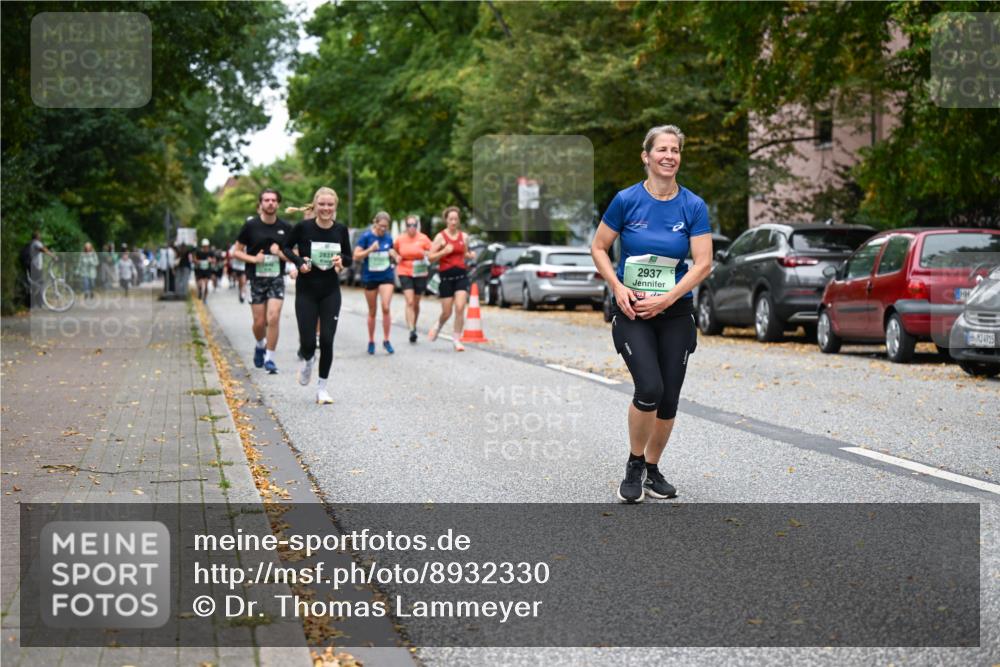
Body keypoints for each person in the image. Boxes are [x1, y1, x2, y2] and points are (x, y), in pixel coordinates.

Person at [591, 124, 713, 504]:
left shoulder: (692, 205)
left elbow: (703, 263)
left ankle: (652, 468)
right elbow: (599, 247)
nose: (669, 156)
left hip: (675, 312)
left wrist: (667, 299)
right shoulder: (626, 201)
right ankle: (634, 464)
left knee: (669, 398)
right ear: (646, 156)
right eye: (662, 149)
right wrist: (617, 286)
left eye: (675, 150)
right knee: (649, 388)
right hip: (633, 311)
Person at [280, 187, 352, 404]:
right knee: (308, 342)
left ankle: (322, 388)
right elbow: (285, 247)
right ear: (315, 205)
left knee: (327, 340)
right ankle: (308, 359)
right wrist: (299, 262)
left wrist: (341, 261)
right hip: (307, 291)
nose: (326, 208)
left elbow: (349, 257)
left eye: (330, 205)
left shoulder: (340, 229)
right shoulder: (303, 227)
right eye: (322, 204)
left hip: (330, 291)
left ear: (335, 206)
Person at [232, 189, 295, 374]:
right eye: (266, 200)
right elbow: (236, 252)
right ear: (260, 204)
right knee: (259, 322)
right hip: (256, 278)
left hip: (276, 277)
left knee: (273, 317)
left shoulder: (286, 227)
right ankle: (260, 344)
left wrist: (279, 253)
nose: (270, 203)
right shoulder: (251, 226)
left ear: (278, 204)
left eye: (273, 200)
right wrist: (254, 259)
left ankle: (270, 358)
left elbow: (293, 255)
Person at [427, 206, 475, 352]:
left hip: (461, 277)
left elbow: (464, 253)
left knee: (460, 307)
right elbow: (430, 258)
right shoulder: (440, 237)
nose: (453, 222)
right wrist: (444, 251)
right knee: (447, 312)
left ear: (458, 220)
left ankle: (457, 340)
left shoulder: (464, 237)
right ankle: (438, 325)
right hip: (446, 278)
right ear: (446, 220)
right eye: (451, 219)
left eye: (456, 219)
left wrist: (470, 256)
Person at [354, 211, 398, 355]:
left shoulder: (388, 237)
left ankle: (386, 340)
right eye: (381, 226)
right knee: (372, 311)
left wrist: (394, 255)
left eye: (385, 226)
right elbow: (356, 256)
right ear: (375, 223)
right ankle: (371, 341)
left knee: (386, 307)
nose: (383, 229)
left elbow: (394, 255)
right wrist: (370, 250)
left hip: (386, 275)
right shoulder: (366, 237)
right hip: (370, 277)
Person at [393, 215, 433, 343]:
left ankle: (414, 324)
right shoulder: (400, 239)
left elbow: (433, 251)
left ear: (417, 226)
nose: (412, 227)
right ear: (406, 226)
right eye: (409, 225)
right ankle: (411, 330)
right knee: (409, 301)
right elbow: (393, 250)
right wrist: (396, 256)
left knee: (416, 302)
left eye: (414, 225)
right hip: (404, 270)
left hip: (420, 271)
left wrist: (427, 253)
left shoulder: (423, 238)